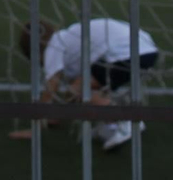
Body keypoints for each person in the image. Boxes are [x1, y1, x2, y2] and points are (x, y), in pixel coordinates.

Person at [9, 18, 159, 152]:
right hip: (144, 49)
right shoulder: (67, 42)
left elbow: (51, 88)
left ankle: (127, 121)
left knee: (78, 90)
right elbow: (70, 91)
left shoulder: (53, 47)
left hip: (131, 53)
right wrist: (55, 116)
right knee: (80, 88)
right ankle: (110, 125)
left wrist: (36, 127)